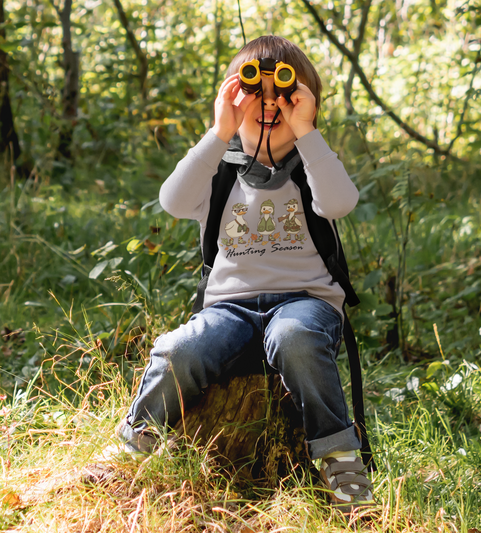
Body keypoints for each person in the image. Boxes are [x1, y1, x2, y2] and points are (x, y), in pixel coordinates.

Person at [114, 35, 373, 512]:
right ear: (236, 96)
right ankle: (136, 444)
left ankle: (340, 460)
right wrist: (220, 131)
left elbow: (339, 203)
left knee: (295, 336)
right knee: (179, 349)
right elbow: (172, 202)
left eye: (285, 93)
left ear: (304, 103)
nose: (270, 103)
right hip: (229, 309)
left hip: (305, 304)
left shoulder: (311, 166)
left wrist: (306, 130)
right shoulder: (221, 170)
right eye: (257, 92)